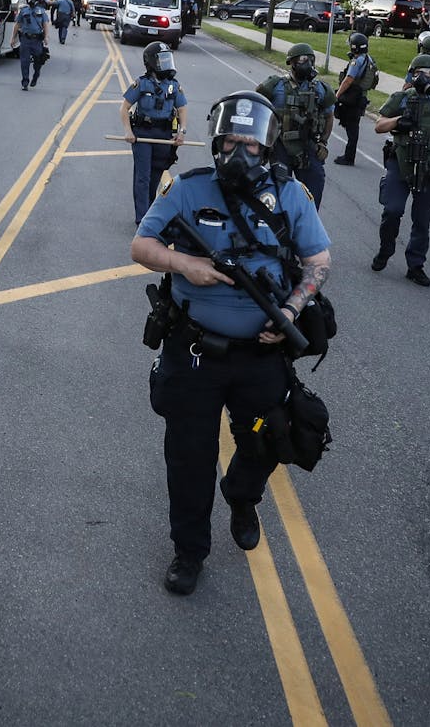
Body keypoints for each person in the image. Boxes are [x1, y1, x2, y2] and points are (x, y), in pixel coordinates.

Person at [130, 91, 331, 596]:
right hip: (194, 350)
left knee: (267, 439)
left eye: (250, 145)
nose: (239, 155)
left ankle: (243, 496)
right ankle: (189, 550)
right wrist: (185, 265)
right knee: (189, 455)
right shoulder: (186, 189)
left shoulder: (291, 195)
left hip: (262, 355)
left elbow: (318, 262)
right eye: (230, 143)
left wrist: (289, 311)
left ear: (266, 149)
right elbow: (142, 245)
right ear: (216, 144)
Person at [371, 54, 430, 287]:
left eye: (427, 73)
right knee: (392, 210)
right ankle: (386, 249)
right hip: (401, 163)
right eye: (417, 72)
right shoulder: (402, 99)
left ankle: (416, 265)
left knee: (422, 220)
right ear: (411, 75)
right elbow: (378, 125)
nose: (422, 77)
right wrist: (397, 121)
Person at [257, 42, 334, 208]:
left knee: (315, 187)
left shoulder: (320, 89)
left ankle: (308, 224)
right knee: (280, 190)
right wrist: (262, 141)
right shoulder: (275, 85)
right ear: (291, 62)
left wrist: (323, 142)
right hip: (280, 146)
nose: (307, 64)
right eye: (302, 59)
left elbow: (329, 116)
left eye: (310, 60)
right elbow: (257, 106)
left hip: (308, 146)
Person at [120, 41, 187, 224]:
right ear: (151, 63)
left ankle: (149, 211)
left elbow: (182, 109)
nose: (167, 64)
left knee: (156, 176)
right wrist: (128, 131)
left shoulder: (173, 85)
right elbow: (124, 108)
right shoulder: (141, 84)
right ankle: (142, 219)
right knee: (143, 177)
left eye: (168, 59)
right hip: (142, 134)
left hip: (163, 136)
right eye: (162, 60)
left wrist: (182, 132)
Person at [331, 32, 378, 167]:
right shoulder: (369, 59)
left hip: (352, 97)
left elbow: (348, 79)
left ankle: (349, 157)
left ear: (355, 47)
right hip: (361, 97)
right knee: (353, 127)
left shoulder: (356, 61)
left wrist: (337, 95)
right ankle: (349, 155)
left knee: (352, 128)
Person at [10, 0, 50, 91]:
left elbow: (45, 25)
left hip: (37, 40)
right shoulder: (23, 11)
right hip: (25, 40)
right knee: (24, 62)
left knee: (38, 62)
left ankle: (36, 76)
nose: (31, 0)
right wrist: (13, 38)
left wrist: (46, 37)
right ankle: (25, 82)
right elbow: (17, 25)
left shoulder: (41, 11)